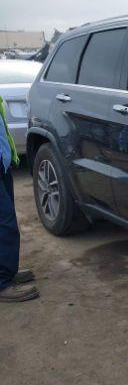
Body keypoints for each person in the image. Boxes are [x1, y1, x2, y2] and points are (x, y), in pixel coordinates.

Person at [0, 95, 39, 302]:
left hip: (2, 161)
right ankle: (2, 283)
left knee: (6, 219)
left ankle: (6, 270)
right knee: (5, 223)